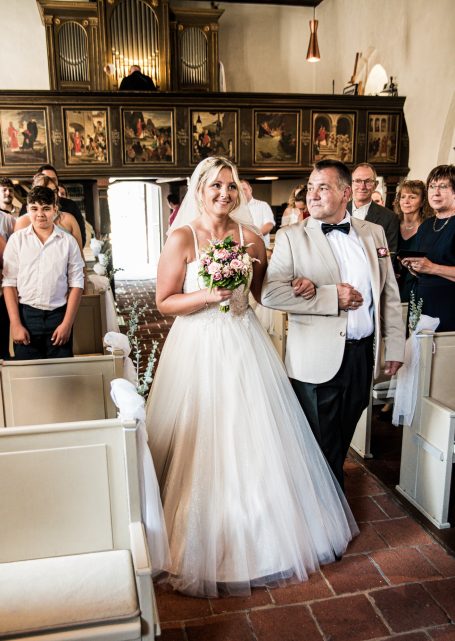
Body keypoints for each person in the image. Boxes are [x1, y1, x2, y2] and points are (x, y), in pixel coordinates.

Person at [146, 156, 357, 598]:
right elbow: (165, 301)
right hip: (199, 346)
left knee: (255, 435)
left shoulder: (252, 239)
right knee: (202, 437)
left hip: (245, 342)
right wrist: (207, 294)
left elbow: (263, 294)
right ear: (199, 190)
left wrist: (301, 286)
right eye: (215, 186)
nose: (224, 194)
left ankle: (268, 539)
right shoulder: (182, 237)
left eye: (230, 186)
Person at [262, 159, 405, 488]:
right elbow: (270, 294)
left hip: (360, 358)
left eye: (322, 187)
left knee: (340, 440)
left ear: (345, 193)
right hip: (314, 359)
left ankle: (325, 502)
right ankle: (327, 521)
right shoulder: (291, 237)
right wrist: (330, 297)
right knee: (320, 444)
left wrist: (394, 345)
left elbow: (388, 295)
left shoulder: (374, 233)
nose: (312, 194)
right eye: (310, 188)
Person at [2, 186, 84, 360]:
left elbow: (77, 284)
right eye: (34, 209)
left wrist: (67, 324)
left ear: (55, 209)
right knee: (28, 375)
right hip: (26, 315)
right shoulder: (17, 240)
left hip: (59, 315)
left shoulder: (68, 242)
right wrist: (15, 324)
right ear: (27, 210)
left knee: (61, 374)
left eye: (46, 208)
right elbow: (9, 283)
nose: (40, 214)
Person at [401, 164, 455, 331]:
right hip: (422, 305)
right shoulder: (426, 226)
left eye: (443, 186)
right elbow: (423, 263)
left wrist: (432, 268)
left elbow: (431, 266)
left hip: (449, 307)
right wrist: (414, 266)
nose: (435, 192)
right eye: (432, 186)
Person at [19, 164, 86, 247]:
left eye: (53, 179)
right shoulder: (23, 219)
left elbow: (79, 244)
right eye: (46, 179)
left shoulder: (70, 211)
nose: (49, 182)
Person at [393, 179, 432, 302]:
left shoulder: (429, 228)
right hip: (392, 284)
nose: (406, 201)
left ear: (422, 202)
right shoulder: (392, 224)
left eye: (412, 197)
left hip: (417, 285)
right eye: (403, 197)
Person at [348, 163, 399, 255]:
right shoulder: (337, 212)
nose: (362, 186)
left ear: (375, 185)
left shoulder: (390, 217)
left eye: (368, 181)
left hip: (374, 269)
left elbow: (389, 253)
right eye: (358, 181)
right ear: (351, 183)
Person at [0, 178, 17, 359]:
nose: (7, 193)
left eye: (9, 190)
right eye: (3, 190)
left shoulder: (8, 219)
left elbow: (11, 255)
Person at [240, 179, 275, 249]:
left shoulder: (263, 205)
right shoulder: (234, 208)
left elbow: (269, 224)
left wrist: (255, 236)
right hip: (241, 248)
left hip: (261, 246)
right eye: (239, 190)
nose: (242, 192)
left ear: (250, 189)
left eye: (244, 189)